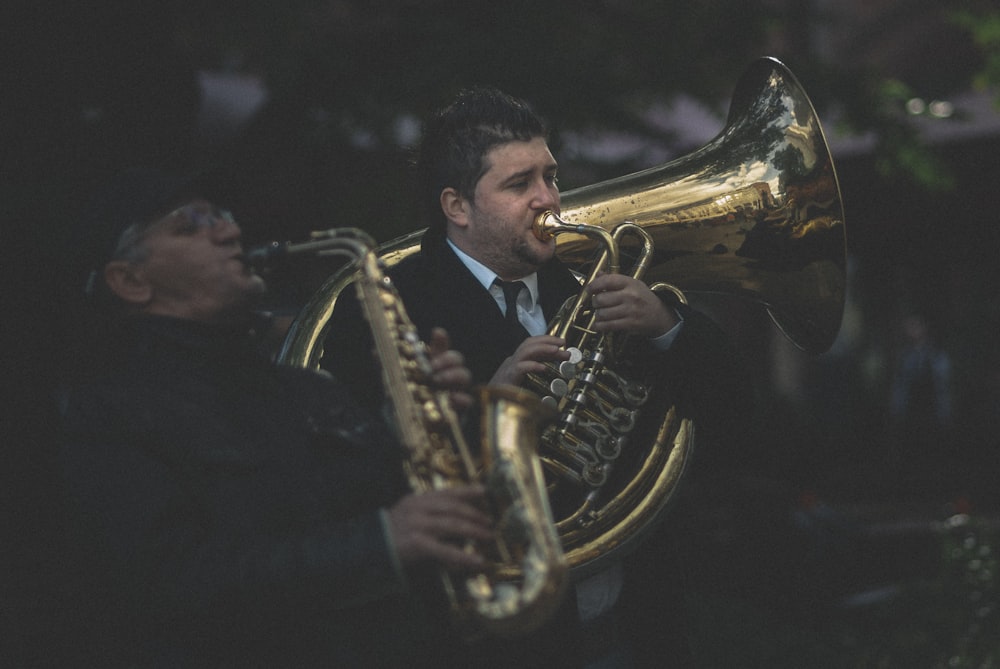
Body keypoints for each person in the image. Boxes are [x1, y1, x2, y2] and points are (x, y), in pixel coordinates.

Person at [323, 87, 755, 668]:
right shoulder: (388, 308)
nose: (550, 199)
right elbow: (368, 481)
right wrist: (489, 403)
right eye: (519, 184)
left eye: (550, 176)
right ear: (457, 206)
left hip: (633, 626)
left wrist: (667, 326)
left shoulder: (590, 289)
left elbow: (736, 420)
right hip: (495, 643)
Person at [54, 168, 497, 668]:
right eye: (190, 225)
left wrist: (430, 423)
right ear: (130, 281)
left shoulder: (301, 389)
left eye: (221, 216)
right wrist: (378, 546)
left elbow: (390, 503)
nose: (230, 230)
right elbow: (173, 585)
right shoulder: (110, 413)